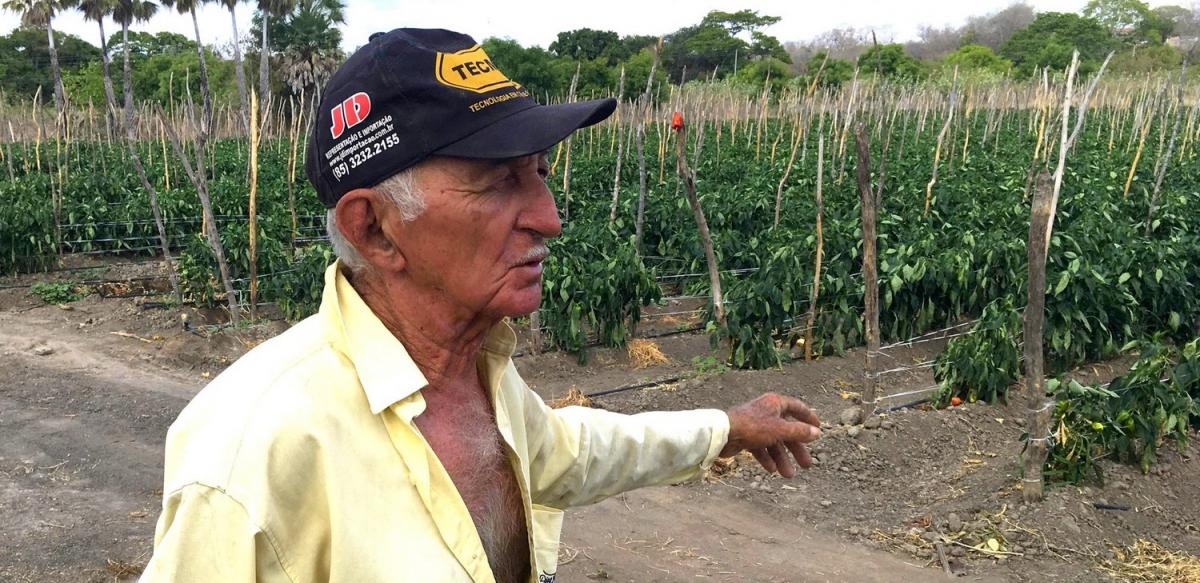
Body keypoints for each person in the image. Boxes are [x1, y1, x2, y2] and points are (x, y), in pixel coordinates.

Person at [141, 28, 822, 583]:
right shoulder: (249, 456)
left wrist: (726, 426)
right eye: (498, 182)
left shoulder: (475, 373)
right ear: (374, 228)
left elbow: (563, 451)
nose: (549, 218)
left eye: (540, 173)